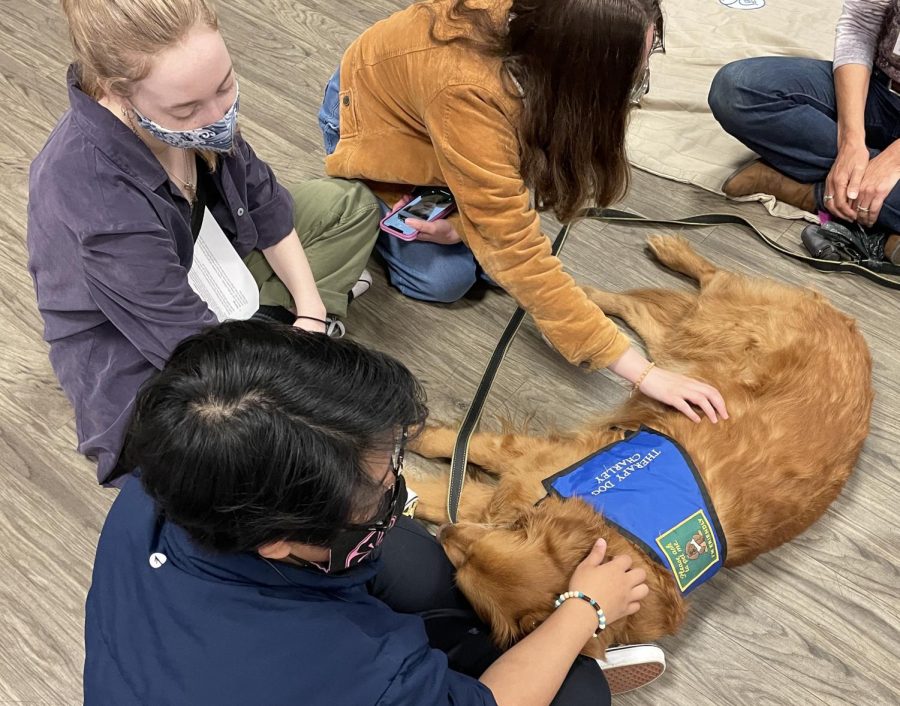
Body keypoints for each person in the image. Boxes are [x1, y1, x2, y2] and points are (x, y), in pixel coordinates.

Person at [84, 320, 657, 705]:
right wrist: (584, 609)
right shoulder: (333, 670)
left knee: (408, 555)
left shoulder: (170, 474)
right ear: (280, 541)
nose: (397, 483)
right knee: (578, 690)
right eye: (384, 481)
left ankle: (487, 654)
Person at [318, 0, 729, 426]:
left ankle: (464, 214)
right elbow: (516, 251)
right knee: (445, 280)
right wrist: (642, 372)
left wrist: (466, 227)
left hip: (450, 135)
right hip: (372, 129)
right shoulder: (468, 92)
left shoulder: (526, 59)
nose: (641, 77)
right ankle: (365, 209)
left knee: (490, 262)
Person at [26, 0, 381, 485]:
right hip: (147, 353)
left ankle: (280, 328)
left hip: (213, 267)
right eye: (187, 108)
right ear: (117, 93)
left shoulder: (196, 110)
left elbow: (264, 204)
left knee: (350, 206)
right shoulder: (96, 196)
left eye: (225, 86)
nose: (218, 117)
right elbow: (189, 347)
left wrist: (311, 312)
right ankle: (276, 335)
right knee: (259, 458)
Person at [708, 0, 900, 265]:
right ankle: (873, 205)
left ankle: (810, 192)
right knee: (736, 90)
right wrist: (850, 140)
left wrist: (895, 159)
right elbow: (859, 26)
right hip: (880, 90)